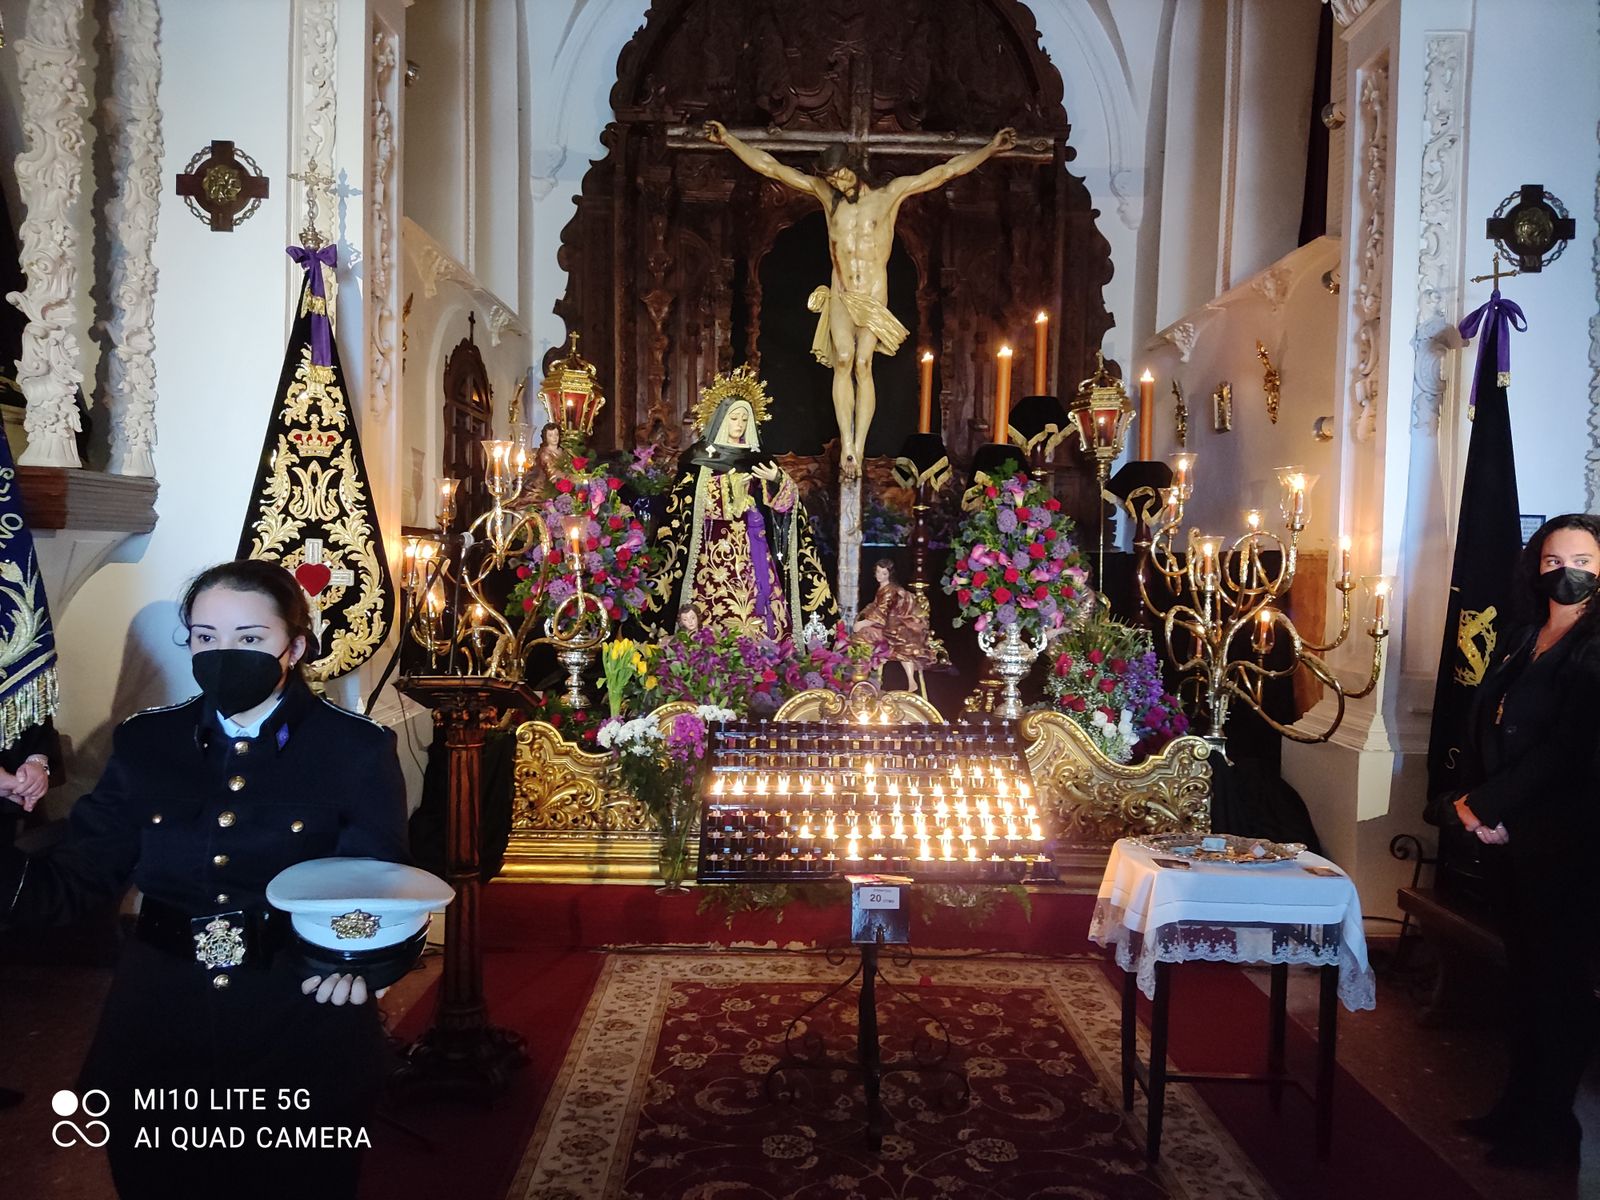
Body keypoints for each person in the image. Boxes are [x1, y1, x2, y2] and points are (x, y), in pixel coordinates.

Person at [0, 559, 410, 1199]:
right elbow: (76, 881)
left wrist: (356, 964)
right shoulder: (146, 742)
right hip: (162, 1018)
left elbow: (376, 885)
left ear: (294, 646)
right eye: (205, 636)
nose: (224, 654)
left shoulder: (353, 749)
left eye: (249, 639)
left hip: (295, 1018)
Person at [704, 120, 1015, 473]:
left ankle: (860, 443)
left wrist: (990, 148)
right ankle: (847, 445)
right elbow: (771, 166)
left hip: (871, 296)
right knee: (842, 359)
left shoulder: (889, 196)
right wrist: (729, 139)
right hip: (841, 292)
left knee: (863, 364)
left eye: (841, 176)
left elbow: (944, 172)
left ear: (855, 168)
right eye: (832, 179)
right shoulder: (827, 198)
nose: (836, 184)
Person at [1448, 513, 1600, 1169]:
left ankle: (1551, 1130)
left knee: (1558, 989)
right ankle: (1516, 1107)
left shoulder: (1596, 647)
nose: (1568, 570)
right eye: (1554, 558)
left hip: (1567, 842)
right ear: (1536, 566)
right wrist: (1481, 810)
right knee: (1524, 981)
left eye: (1585, 560)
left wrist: (1486, 805)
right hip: (1510, 838)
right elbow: (1492, 722)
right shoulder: (1520, 635)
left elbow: (1569, 751)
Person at [644, 388, 837, 640]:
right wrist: (728, 487)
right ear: (721, 419)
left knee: (760, 603)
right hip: (711, 551)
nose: (740, 425)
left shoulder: (758, 459)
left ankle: (762, 653)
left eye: (745, 419)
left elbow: (785, 508)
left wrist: (776, 479)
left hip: (753, 547)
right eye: (734, 418)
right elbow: (685, 504)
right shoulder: (699, 457)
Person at [851, 559, 934, 690]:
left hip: (893, 626)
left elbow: (880, 614)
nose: (880, 575)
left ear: (889, 574)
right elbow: (874, 605)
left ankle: (866, 671)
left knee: (862, 635)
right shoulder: (883, 588)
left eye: (883, 573)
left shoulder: (890, 591)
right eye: (878, 572)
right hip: (888, 623)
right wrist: (863, 614)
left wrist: (862, 624)